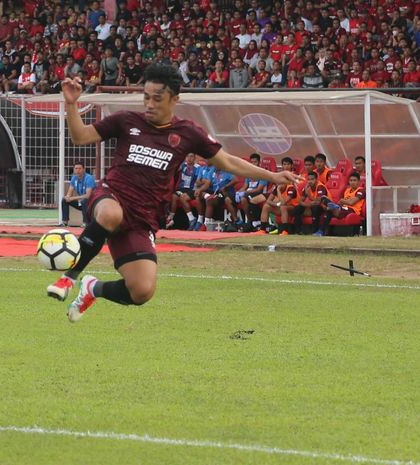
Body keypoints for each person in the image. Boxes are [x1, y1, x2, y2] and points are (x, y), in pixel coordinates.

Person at [46, 64, 300, 322]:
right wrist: (71, 104)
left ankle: (92, 288)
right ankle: (68, 277)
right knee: (110, 214)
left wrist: (272, 175)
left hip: (143, 218)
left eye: (157, 98)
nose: (150, 104)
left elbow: (229, 162)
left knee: (142, 291)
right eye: (146, 97)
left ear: (175, 99)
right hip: (111, 197)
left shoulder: (188, 133)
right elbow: (80, 137)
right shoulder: (126, 121)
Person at [314, 172, 365, 236]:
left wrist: (342, 201)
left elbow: (351, 203)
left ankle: (332, 206)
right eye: (351, 180)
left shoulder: (361, 190)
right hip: (343, 208)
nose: (352, 182)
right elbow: (340, 202)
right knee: (326, 206)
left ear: (359, 182)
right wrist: (341, 202)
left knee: (330, 208)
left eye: (354, 180)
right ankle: (321, 231)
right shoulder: (347, 190)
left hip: (353, 210)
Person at [165, 153, 200, 229]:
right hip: (182, 189)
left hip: (192, 190)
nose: (189, 158)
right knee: (174, 196)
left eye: (191, 156)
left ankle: (191, 219)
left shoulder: (198, 168)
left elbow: (199, 181)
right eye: (187, 156)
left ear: (194, 158)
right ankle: (170, 218)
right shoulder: (182, 165)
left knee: (181, 197)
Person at [61, 162, 96, 227]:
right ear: (74, 170)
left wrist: (73, 198)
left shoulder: (89, 178)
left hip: (92, 204)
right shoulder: (74, 178)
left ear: (84, 169)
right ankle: (65, 222)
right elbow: (69, 192)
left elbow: (88, 196)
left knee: (84, 200)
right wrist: (68, 197)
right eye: (76, 168)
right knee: (64, 200)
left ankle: (85, 223)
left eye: (80, 168)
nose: (78, 170)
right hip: (81, 202)